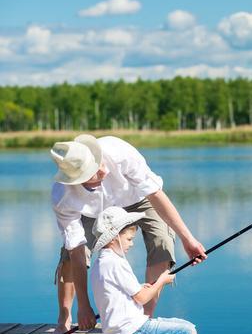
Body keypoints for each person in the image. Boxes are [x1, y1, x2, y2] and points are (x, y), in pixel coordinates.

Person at [50, 134, 207, 333]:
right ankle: (65, 316)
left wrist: (188, 239)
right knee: (69, 256)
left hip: (138, 197)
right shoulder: (63, 197)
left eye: (98, 163)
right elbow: (76, 251)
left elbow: (156, 194)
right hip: (91, 211)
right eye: (93, 173)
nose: (103, 170)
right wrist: (84, 306)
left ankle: (143, 319)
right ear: (76, 180)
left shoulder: (119, 152)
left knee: (163, 241)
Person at [91, 206, 196, 334]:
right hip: (131, 328)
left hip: (118, 327)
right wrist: (162, 280)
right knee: (187, 330)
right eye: (129, 239)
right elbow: (142, 298)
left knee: (183, 324)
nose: (131, 244)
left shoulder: (99, 263)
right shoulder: (116, 263)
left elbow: (117, 291)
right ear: (114, 238)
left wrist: (141, 286)